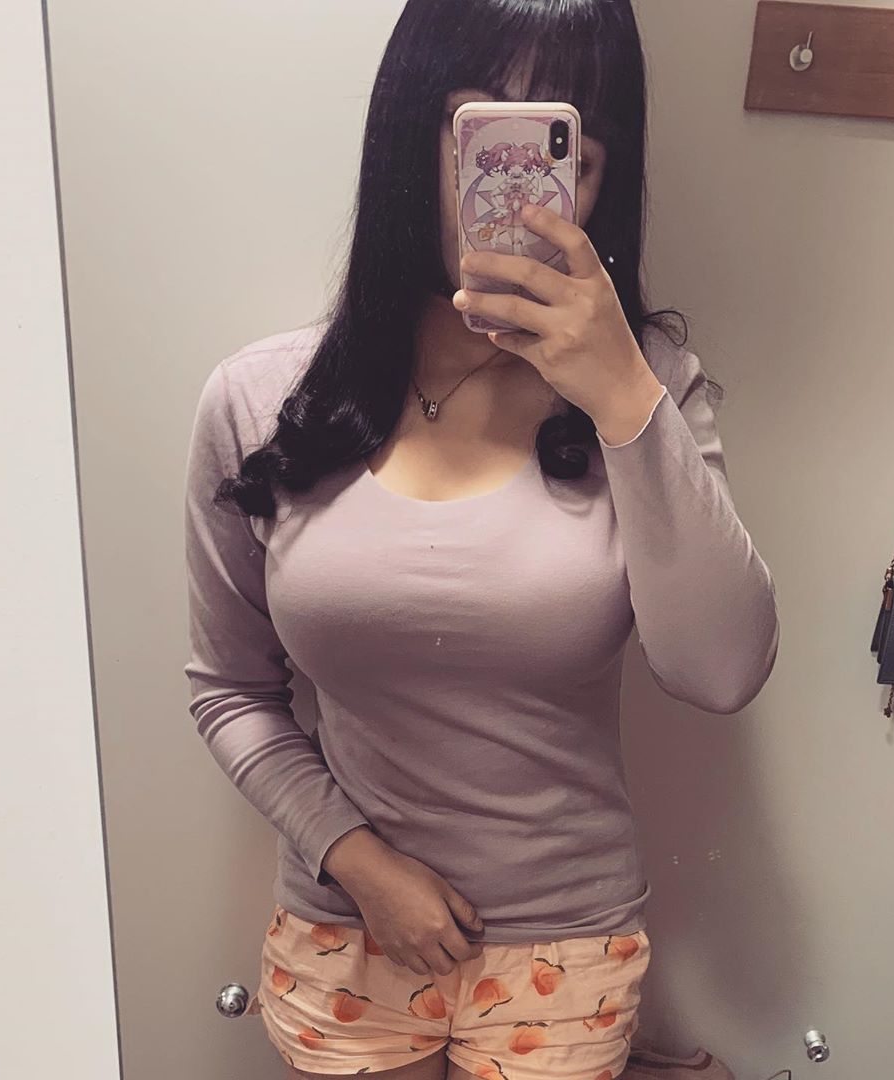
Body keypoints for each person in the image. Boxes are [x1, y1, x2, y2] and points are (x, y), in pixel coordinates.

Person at [182, 2, 780, 1078]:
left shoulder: (647, 394)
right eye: (479, 133)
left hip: (569, 945)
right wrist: (358, 861)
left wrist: (622, 394)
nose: (516, 190)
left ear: (601, 182)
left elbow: (722, 670)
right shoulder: (259, 401)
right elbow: (229, 690)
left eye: (565, 151)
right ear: (409, 135)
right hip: (345, 924)